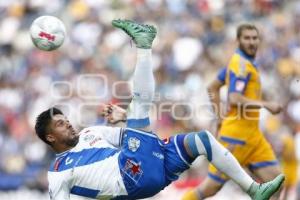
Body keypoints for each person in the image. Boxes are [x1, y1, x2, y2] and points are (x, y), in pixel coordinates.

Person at [34, 20, 284, 200]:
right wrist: (133, 119)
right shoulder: (58, 172)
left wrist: (125, 118)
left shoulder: (91, 133)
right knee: (139, 105)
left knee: (202, 141)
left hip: (151, 168)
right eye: (59, 123)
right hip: (128, 178)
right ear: (50, 137)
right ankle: (143, 46)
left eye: (65, 119)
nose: (67, 123)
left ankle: (254, 191)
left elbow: (141, 136)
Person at [182, 24, 283, 200]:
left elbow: (212, 87)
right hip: (235, 136)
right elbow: (235, 97)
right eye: (247, 38)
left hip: (252, 136)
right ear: (238, 41)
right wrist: (267, 104)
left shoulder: (241, 63)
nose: (251, 42)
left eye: (254, 38)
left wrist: (220, 118)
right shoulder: (240, 66)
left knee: (275, 183)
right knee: (209, 188)